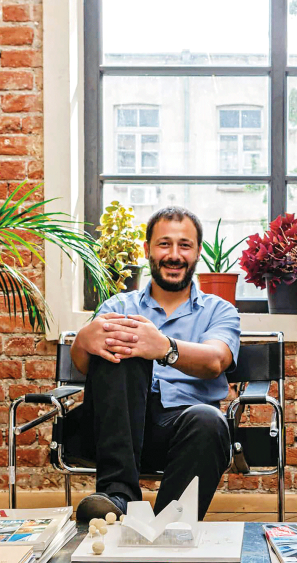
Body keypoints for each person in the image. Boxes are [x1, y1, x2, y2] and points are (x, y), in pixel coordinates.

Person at [71, 206, 241, 523]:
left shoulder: (220, 311)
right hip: (114, 427)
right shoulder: (119, 305)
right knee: (122, 339)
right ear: (147, 249)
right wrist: (82, 341)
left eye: (184, 245)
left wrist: (163, 348)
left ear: (198, 252)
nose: (174, 254)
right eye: (164, 244)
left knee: (210, 419)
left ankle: (165, 529)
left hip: (184, 434)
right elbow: (87, 367)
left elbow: (216, 360)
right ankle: (118, 497)